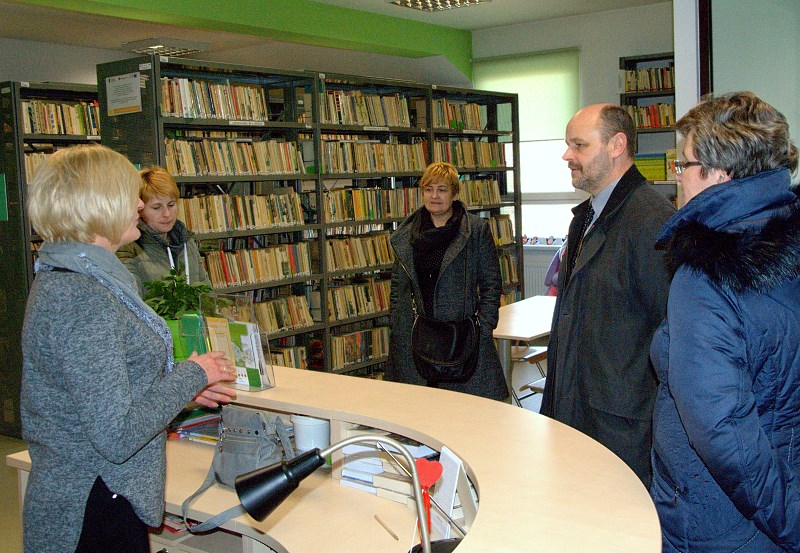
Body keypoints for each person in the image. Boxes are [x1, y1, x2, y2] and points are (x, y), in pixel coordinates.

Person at [20, 145, 237, 552]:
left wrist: (182, 391)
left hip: (97, 490)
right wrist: (192, 375)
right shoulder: (84, 295)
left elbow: (109, 389)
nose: (139, 205)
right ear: (98, 205)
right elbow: (117, 434)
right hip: (94, 502)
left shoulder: (78, 275)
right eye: (128, 195)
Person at [649, 92, 800, 552]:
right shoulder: (786, 234)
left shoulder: (706, 275)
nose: (677, 176)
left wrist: (792, 523)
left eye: (683, 164)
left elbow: (723, 433)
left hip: (720, 520)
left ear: (721, 173)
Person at [540, 104, 675, 486]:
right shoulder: (586, 217)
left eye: (579, 145)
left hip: (622, 428)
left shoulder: (651, 221)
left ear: (617, 145)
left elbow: (671, 332)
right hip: (577, 412)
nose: (567, 155)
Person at [385, 161, 506, 400]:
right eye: (428, 189)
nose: (434, 196)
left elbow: (491, 283)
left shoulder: (475, 231)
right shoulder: (407, 235)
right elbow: (399, 287)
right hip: (418, 335)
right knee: (420, 406)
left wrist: (484, 327)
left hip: (463, 336)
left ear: (454, 194)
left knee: (464, 409)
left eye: (442, 190)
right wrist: (398, 328)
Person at [117, 165, 211, 293]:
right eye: (156, 207)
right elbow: (130, 298)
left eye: (171, 205)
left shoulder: (187, 241)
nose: (167, 214)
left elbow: (207, 293)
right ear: (139, 209)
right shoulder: (127, 248)